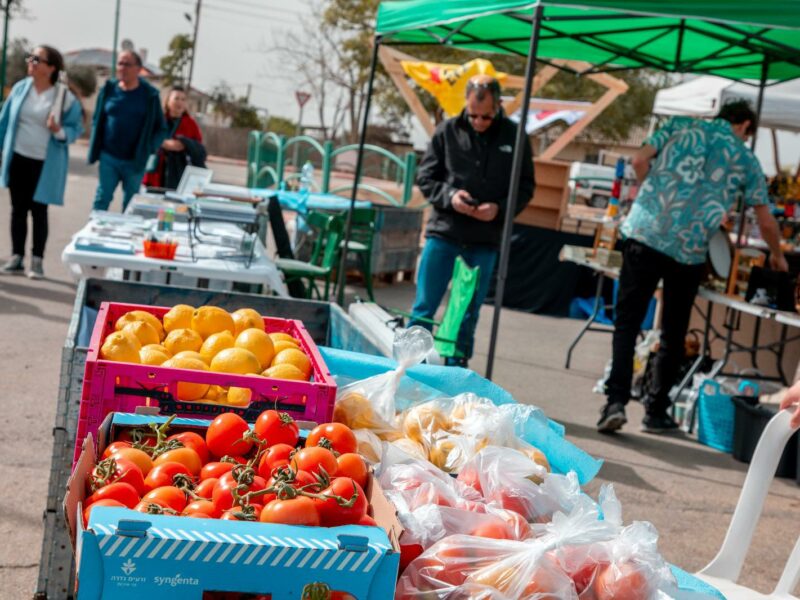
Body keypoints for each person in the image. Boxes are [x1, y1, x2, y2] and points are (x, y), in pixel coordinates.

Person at [598, 100, 789, 435]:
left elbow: (639, 159)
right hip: (688, 250)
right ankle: (655, 411)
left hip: (645, 231)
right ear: (744, 125)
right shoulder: (744, 158)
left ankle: (615, 402)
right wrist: (777, 255)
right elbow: (766, 221)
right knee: (674, 332)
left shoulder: (679, 126)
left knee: (627, 324)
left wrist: (652, 195)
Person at [409, 75, 535, 367]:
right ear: (466, 106)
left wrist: (500, 208)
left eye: (486, 117)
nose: (479, 121)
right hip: (444, 231)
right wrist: (450, 196)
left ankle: (455, 370)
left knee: (466, 311)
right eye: (473, 115)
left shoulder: (515, 137)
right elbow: (425, 177)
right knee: (425, 305)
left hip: (484, 239)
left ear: (499, 106)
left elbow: (526, 187)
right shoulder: (447, 131)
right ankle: (410, 366)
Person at [0, 45, 83, 279]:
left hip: (45, 163)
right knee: (18, 209)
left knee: (39, 211)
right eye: (31, 57)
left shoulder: (63, 97)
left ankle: (37, 261)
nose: (31, 61)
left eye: (37, 59)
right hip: (17, 157)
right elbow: (4, 121)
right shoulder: (20, 89)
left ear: (51, 68)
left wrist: (59, 131)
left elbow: (76, 128)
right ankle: (16, 257)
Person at [88, 50, 166, 211]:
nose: (122, 68)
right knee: (102, 198)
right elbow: (97, 118)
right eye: (120, 63)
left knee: (131, 204)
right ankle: (94, 231)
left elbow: (161, 128)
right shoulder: (109, 90)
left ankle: (127, 234)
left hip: (135, 161)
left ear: (138, 69)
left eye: (127, 64)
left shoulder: (149, 95)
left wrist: (149, 148)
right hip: (109, 156)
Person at [142, 85, 206, 190]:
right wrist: (165, 143)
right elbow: (148, 138)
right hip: (155, 172)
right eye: (176, 98)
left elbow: (197, 147)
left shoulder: (190, 124)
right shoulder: (158, 119)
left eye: (183, 99)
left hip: (179, 173)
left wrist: (183, 143)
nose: (180, 102)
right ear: (168, 101)